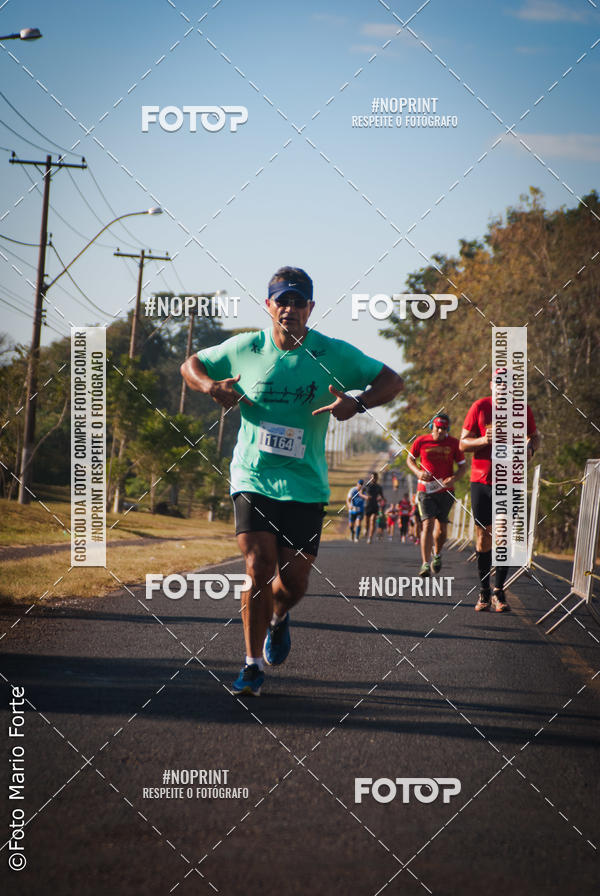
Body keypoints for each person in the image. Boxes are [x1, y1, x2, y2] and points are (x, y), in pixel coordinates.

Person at [180, 266, 403, 695]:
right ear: (268, 306)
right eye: (282, 300)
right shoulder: (246, 347)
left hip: (305, 485)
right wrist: (210, 386)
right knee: (257, 566)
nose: (290, 308)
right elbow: (190, 364)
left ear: (311, 308)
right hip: (253, 475)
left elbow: (393, 381)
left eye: (299, 301)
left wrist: (356, 403)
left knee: (293, 583)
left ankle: (279, 618)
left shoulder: (333, 354)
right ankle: (250, 665)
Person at [460, 377, 540, 612]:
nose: (504, 386)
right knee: (484, 535)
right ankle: (484, 591)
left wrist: (530, 448)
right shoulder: (480, 407)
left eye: (508, 383)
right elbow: (463, 444)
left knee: (503, 533)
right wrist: (485, 439)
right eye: (499, 382)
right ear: (492, 386)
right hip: (481, 480)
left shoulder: (522, 409)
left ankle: (499, 590)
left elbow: (535, 436)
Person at [406, 413, 466, 577]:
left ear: (448, 429)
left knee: (441, 530)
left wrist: (454, 478)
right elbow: (410, 460)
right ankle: (425, 564)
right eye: (438, 427)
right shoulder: (421, 441)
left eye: (444, 428)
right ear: (433, 426)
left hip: (445, 491)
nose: (440, 431)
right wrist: (418, 472)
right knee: (427, 524)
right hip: (425, 490)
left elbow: (463, 467)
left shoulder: (454, 443)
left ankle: (437, 555)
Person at [363, 471, 385, 543]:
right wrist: (365, 496)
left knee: (372, 521)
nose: (374, 479)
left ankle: (370, 537)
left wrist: (382, 500)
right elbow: (360, 493)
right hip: (367, 505)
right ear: (370, 478)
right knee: (366, 523)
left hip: (375, 506)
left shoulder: (379, 487)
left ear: (377, 478)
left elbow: (382, 496)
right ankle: (365, 529)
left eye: (375, 477)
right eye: (372, 477)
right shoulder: (367, 486)